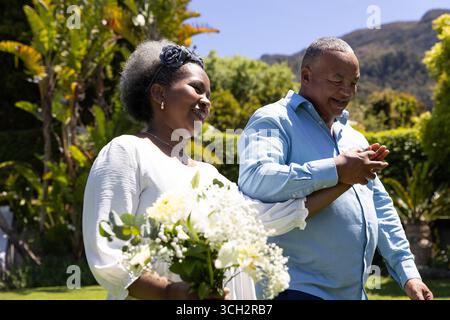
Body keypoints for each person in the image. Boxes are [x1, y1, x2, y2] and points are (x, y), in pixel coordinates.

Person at [82, 39, 389, 300]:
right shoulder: (126, 152)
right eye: (196, 88)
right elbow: (109, 253)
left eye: (209, 95)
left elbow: (269, 218)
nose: (206, 102)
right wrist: (171, 292)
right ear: (159, 94)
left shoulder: (208, 176)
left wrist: (346, 178)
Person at [238, 37, 434, 300]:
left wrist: (408, 273)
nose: (347, 91)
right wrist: (337, 170)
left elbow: (381, 208)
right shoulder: (273, 120)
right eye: (337, 80)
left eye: (353, 83)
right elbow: (257, 179)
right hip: (295, 289)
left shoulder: (355, 138)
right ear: (306, 76)